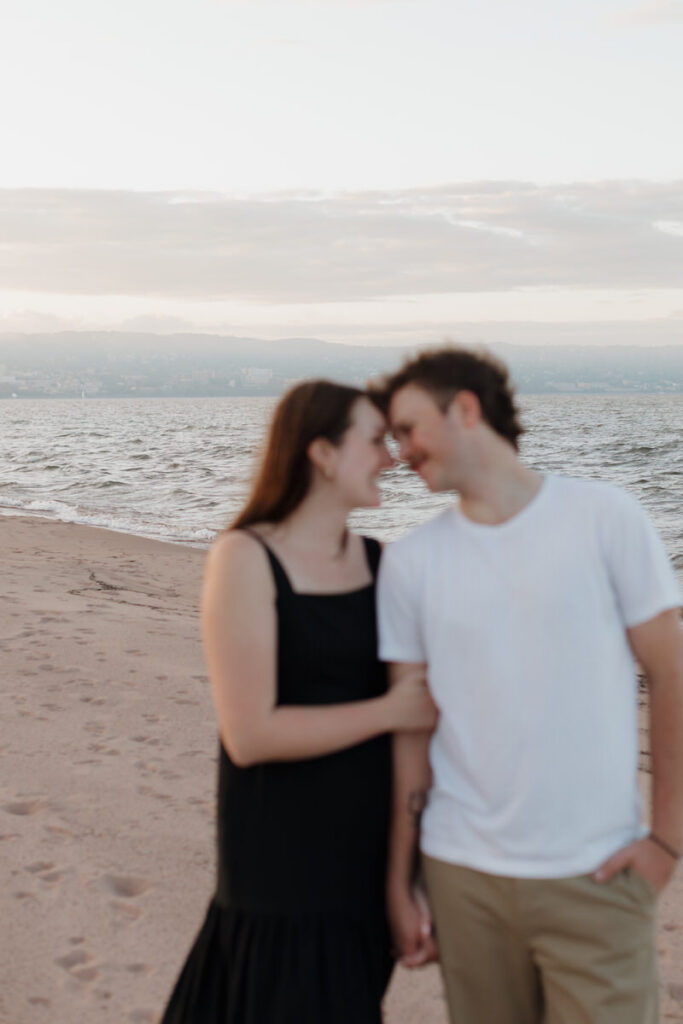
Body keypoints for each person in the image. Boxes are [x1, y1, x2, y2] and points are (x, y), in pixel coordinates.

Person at [373, 347, 683, 1024]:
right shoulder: (410, 564)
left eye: (409, 428)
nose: (399, 451)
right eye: (390, 437)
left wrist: (665, 841)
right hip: (462, 879)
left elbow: (670, 675)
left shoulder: (605, 517)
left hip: (597, 873)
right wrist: (401, 883)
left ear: (464, 408)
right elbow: (411, 731)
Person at [161, 379, 437, 1024]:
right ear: (320, 452)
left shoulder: (383, 565)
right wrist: (389, 710)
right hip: (276, 867)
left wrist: (404, 882)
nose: (392, 457)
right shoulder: (244, 556)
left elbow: (412, 745)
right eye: (375, 441)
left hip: (363, 868)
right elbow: (250, 734)